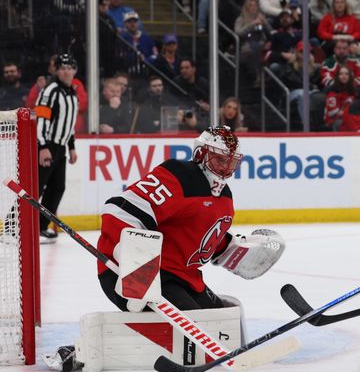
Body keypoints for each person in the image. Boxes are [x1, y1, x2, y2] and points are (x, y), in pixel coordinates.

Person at [96, 126, 284, 313]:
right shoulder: (179, 175)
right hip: (131, 275)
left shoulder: (225, 198)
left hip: (185, 277)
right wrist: (136, 269)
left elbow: (203, 240)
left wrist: (234, 251)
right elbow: (119, 211)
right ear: (201, 154)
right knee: (198, 323)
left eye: (230, 162)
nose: (226, 167)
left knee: (227, 315)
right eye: (220, 159)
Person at [35, 54, 80, 244]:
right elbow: (41, 119)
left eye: (70, 67)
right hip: (47, 146)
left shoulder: (72, 92)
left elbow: (69, 124)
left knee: (57, 188)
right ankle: (13, 229)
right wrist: (42, 146)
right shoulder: (50, 91)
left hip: (60, 147)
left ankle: (40, 228)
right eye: (62, 67)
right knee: (33, 188)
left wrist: (71, 146)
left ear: (75, 71)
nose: (66, 71)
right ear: (57, 70)